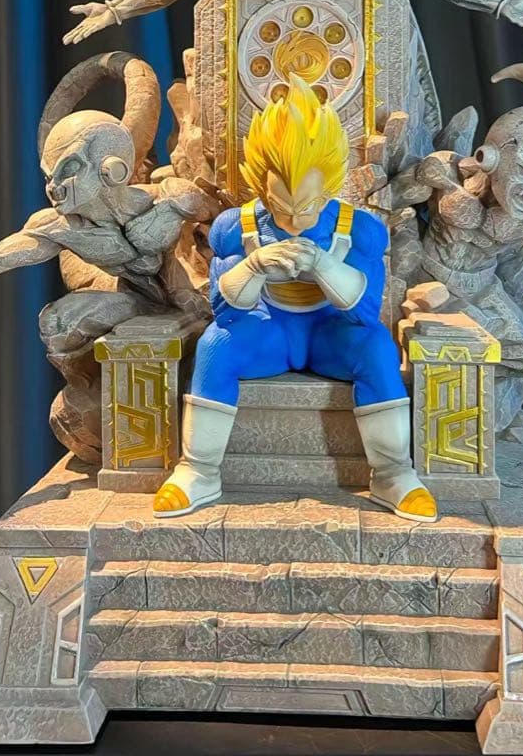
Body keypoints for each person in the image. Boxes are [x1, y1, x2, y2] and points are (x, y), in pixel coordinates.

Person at [153, 75, 438, 522]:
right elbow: (226, 311)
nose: (294, 221)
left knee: (376, 346)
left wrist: (323, 265)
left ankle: (393, 472)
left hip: (332, 334)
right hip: (269, 331)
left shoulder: (357, 228)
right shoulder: (236, 226)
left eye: (306, 207)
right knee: (215, 345)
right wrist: (254, 265)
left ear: (328, 188)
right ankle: (199, 470)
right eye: (280, 206)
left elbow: (364, 311)